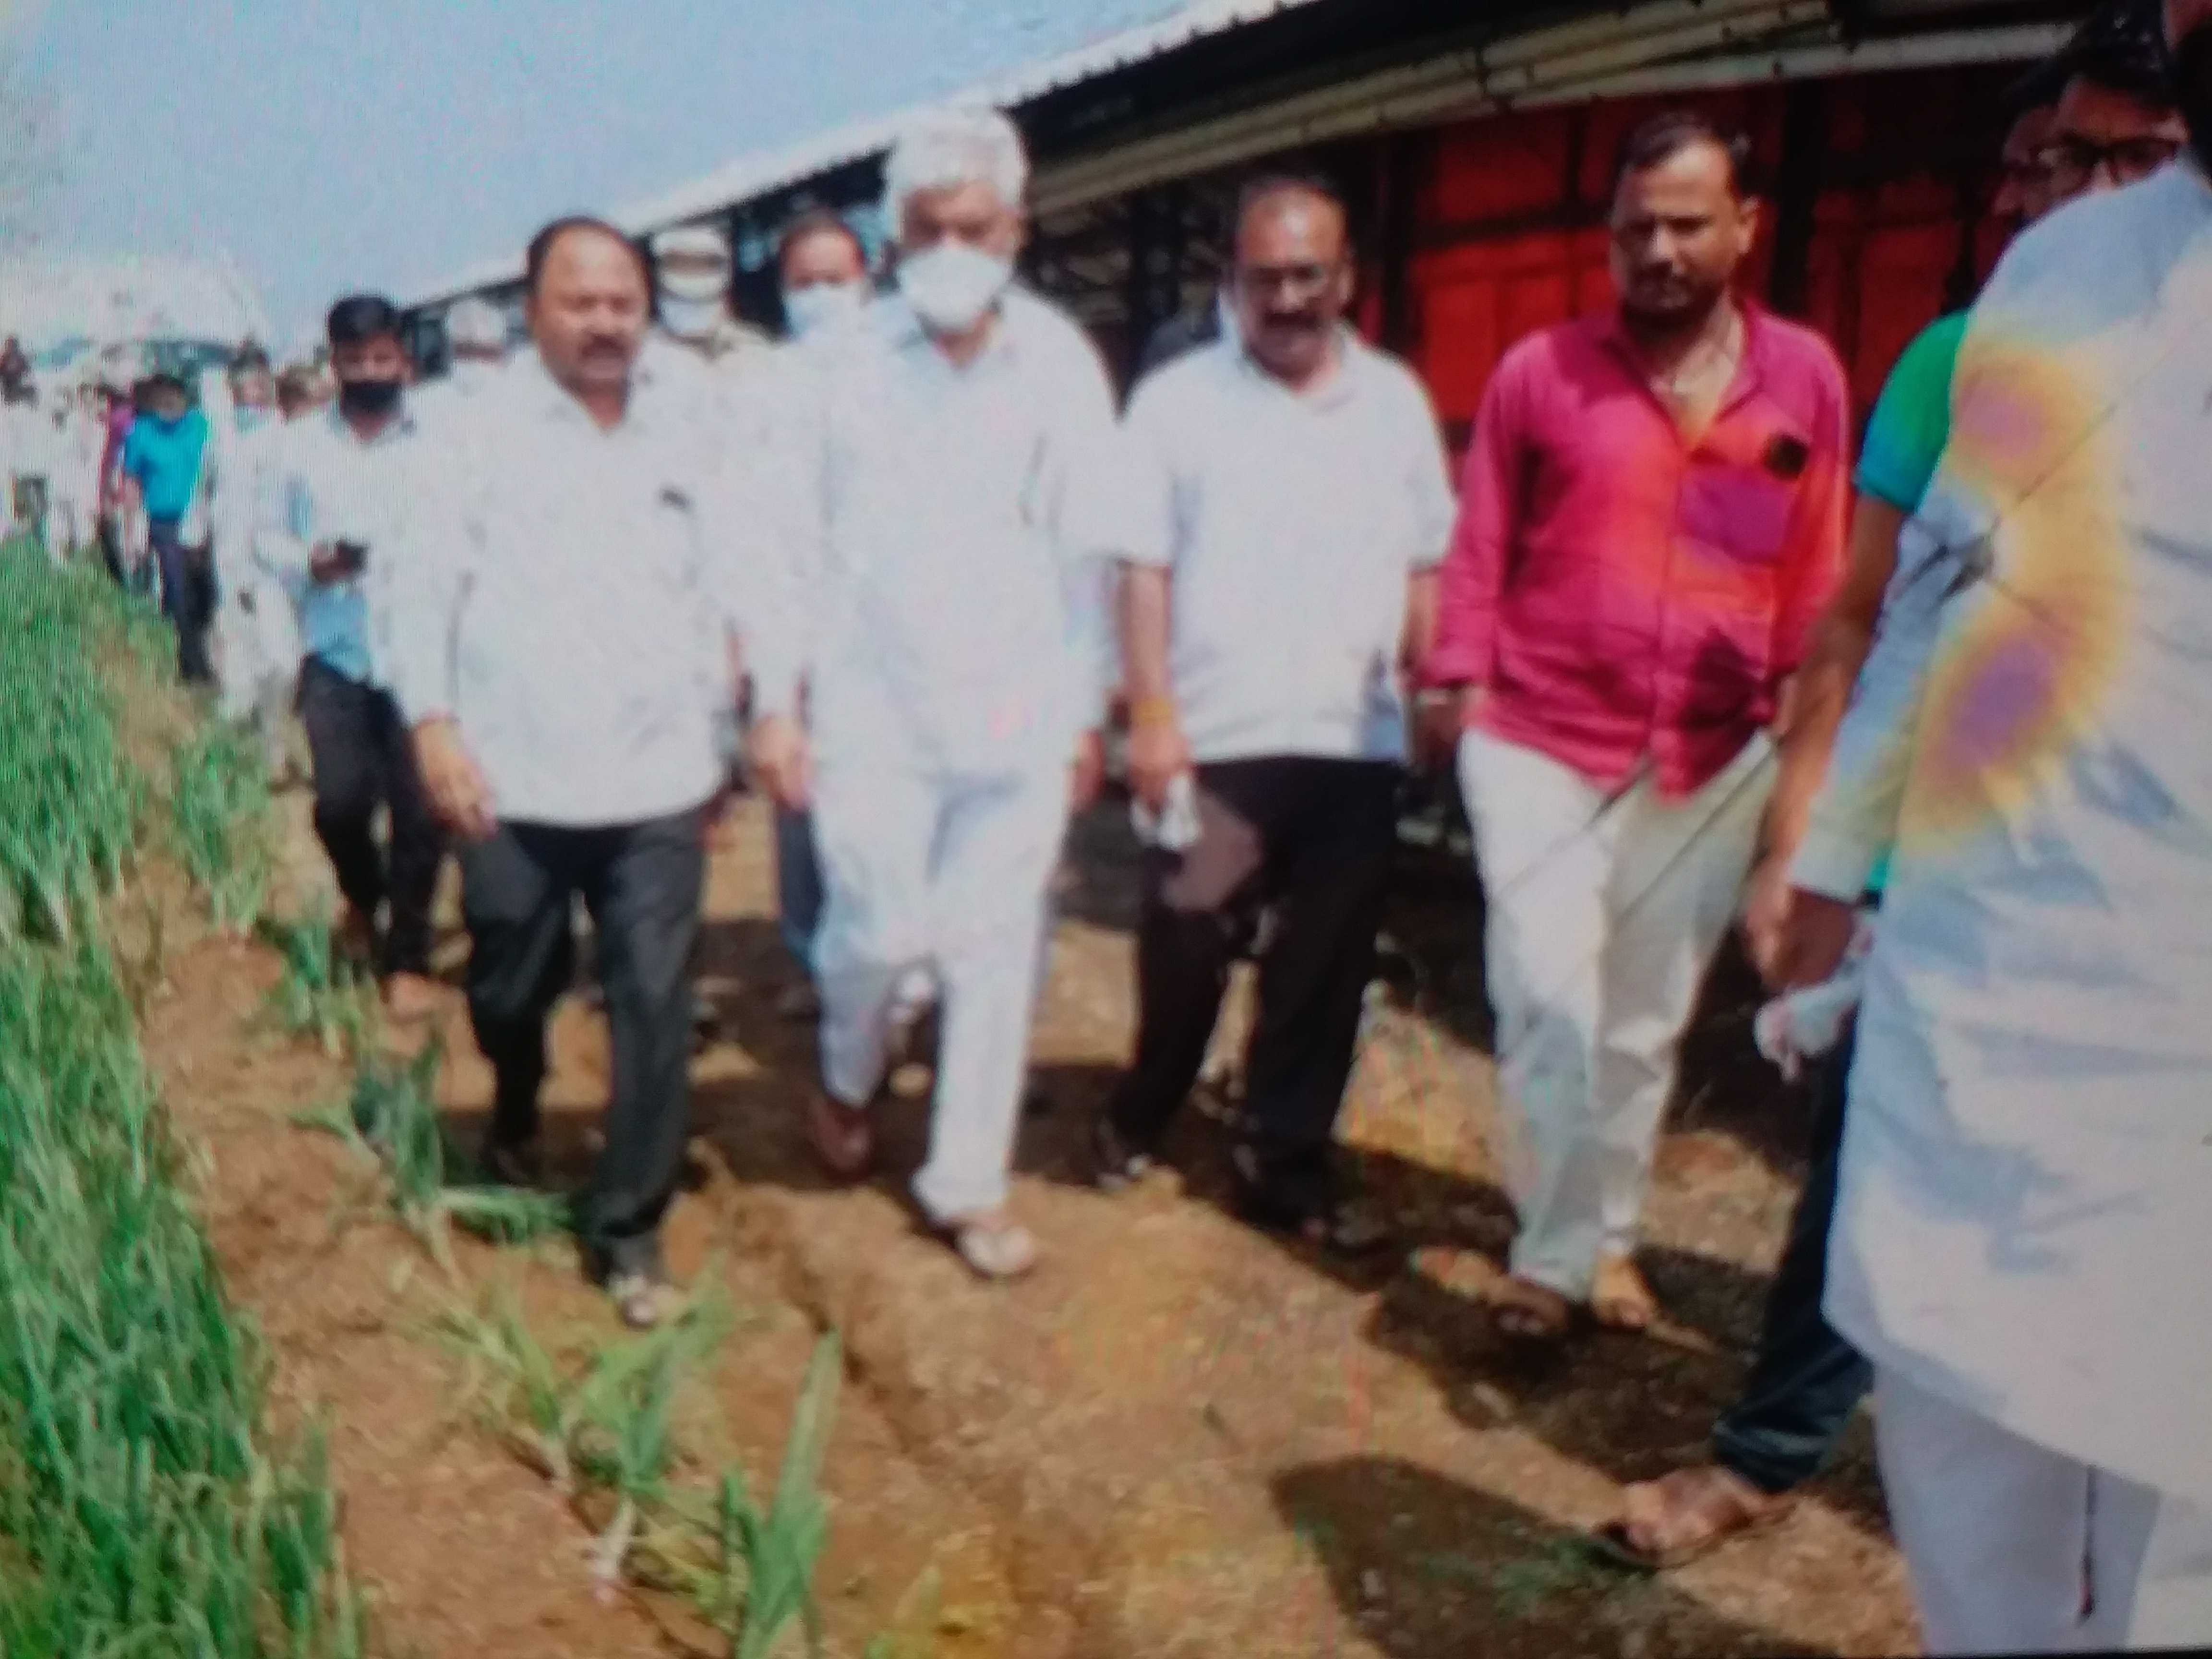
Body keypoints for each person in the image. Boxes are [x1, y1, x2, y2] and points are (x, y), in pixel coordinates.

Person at [1599, 37, 2158, 1562]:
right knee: (1870, 1186)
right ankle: (1776, 1450)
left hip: (2157, 918)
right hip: (1960, 881)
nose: (2091, 197)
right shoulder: (1959, 361)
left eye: (2137, 159)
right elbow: (1872, 622)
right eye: (2064, 162)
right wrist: (1810, 848)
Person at [1755, 0, 2212, 1639]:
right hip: (1984, 998)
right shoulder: (2054, 275)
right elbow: (1933, 595)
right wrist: (1821, 861)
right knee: (1957, 1444)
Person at [1418, 110, 1849, 1342]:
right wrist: (1461, 682)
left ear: (1744, 228)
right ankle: (1550, 1264)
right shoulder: (1541, 374)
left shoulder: (1802, 379)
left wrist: (1799, 756)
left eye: (1684, 224)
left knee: (1645, 1019)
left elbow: (1814, 577)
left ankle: (1607, 1238)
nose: (1656, 250)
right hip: (1542, 736)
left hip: (1710, 757)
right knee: (1548, 999)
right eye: (1633, 229)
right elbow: (1480, 537)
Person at [745, 107, 1121, 1281]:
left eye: (976, 224)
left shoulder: (1058, 360)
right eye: (928, 227)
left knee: (997, 948)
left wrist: (1083, 712)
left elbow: (1087, 554)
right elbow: (782, 547)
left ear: (1015, 228)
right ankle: (850, 1070)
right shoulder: (837, 369)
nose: (953, 246)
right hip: (871, 711)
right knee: (875, 930)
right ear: (893, 236)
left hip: (1012, 708)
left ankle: (967, 1180)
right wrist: (775, 701)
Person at [388, 217, 752, 1329]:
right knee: (507, 976)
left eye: (620, 302)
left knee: (652, 998)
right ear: (531, 308)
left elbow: (729, 577)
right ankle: (511, 1087)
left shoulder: (692, 417)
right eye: (578, 301)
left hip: (656, 775)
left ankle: (629, 1226)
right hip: (513, 778)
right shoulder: (470, 431)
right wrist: (435, 727)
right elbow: (417, 587)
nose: (603, 321)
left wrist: (728, 731)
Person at [1089, 174, 1455, 1250]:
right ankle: (1144, 1105)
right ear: (1231, 284)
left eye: (1311, 276)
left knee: (1324, 970)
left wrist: (1428, 685)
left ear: (1346, 277)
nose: (1289, 299)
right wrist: (1152, 718)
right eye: (1267, 280)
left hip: (1351, 743)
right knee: (1188, 940)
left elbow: (1428, 559)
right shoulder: (1179, 403)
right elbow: (1142, 571)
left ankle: (1281, 1162)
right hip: (1219, 742)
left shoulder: (1391, 401)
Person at [256, 296, 448, 1020]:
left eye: (383, 360)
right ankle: (363, 902)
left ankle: (410, 959)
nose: (371, 372)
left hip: (420, 651)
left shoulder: (438, 441)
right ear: (332, 363)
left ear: (403, 359)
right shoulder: (297, 448)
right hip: (335, 647)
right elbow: (265, 537)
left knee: (420, 813)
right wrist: (313, 561)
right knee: (339, 805)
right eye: (355, 361)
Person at [761, 209, 874, 1022]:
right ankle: (810, 956)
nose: (823, 296)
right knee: (801, 805)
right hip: (797, 624)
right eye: (806, 283)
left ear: (866, 280)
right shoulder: (763, 384)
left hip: (890, 635)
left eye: (837, 279)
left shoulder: (903, 373)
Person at [209, 346, 300, 774]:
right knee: (238, 648)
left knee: (282, 658)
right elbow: (207, 492)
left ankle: (271, 736)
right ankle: (253, 749)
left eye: (261, 380)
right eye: (245, 381)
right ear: (232, 388)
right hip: (229, 558)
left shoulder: (289, 438)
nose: (254, 389)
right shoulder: (222, 438)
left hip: (279, 566)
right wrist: (196, 536)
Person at [119, 372, 218, 682]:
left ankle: (215, 656)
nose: (168, 401)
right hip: (166, 524)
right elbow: (132, 479)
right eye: (161, 395)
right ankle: (194, 669)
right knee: (179, 591)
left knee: (209, 592)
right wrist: (131, 526)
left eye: (174, 394)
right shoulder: (142, 432)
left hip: (205, 522)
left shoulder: (202, 426)